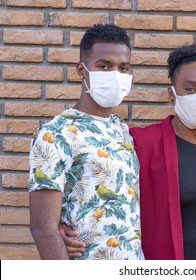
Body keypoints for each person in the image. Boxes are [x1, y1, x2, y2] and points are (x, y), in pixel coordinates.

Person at [61, 45, 196, 260]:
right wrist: (58, 223)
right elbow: (93, 176)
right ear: (172, 93)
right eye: (191, 89)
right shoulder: (142, 142)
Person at [28, 24, 144, 260]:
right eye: (104, 66)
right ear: (82, 70)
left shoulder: (120, 128)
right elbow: (43, 227)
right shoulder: (56, 133)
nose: (115, 74)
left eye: (123, 68)